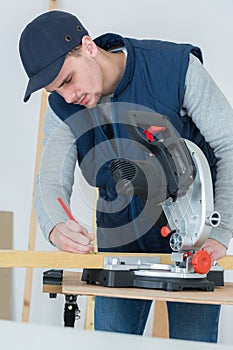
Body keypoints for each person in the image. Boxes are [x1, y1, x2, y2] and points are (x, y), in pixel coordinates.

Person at [19, 10, 233, 343]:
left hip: (194, 233)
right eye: (56, 91)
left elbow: (230, 144)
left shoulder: (175, 68)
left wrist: (221, 231)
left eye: (68, 80)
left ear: (88, 47)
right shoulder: (65, 106)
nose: (68, 96)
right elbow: (50, 179)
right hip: (119, 241)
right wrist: (56, 224)